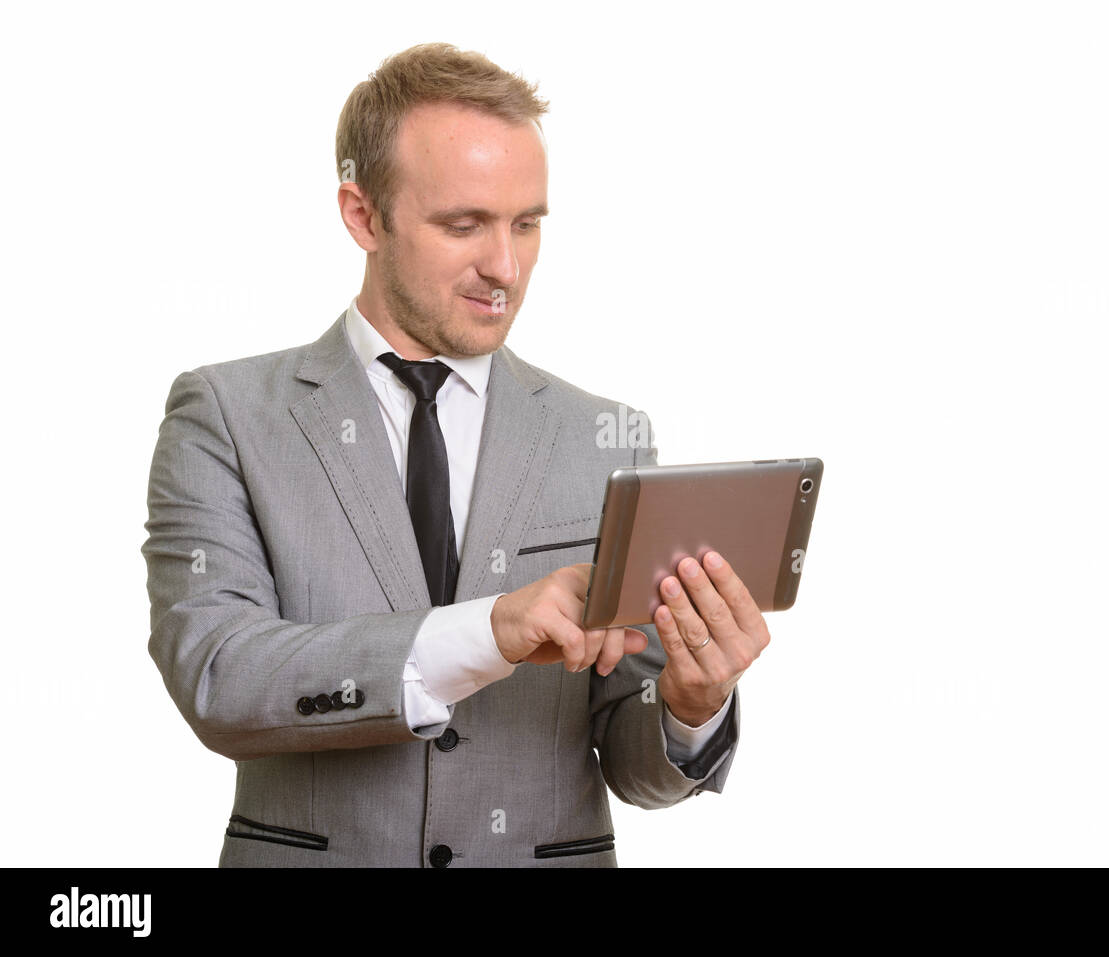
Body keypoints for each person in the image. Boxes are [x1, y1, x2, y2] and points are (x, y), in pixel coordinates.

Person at [142, 42, 771, 867]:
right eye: (463, 223)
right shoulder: (226, 415)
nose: (505, 267)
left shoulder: (608, 435)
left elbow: (634, 764)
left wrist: (690, 703)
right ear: (363, 215)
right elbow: (219, 677)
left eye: (527, 223)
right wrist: (490, 629)